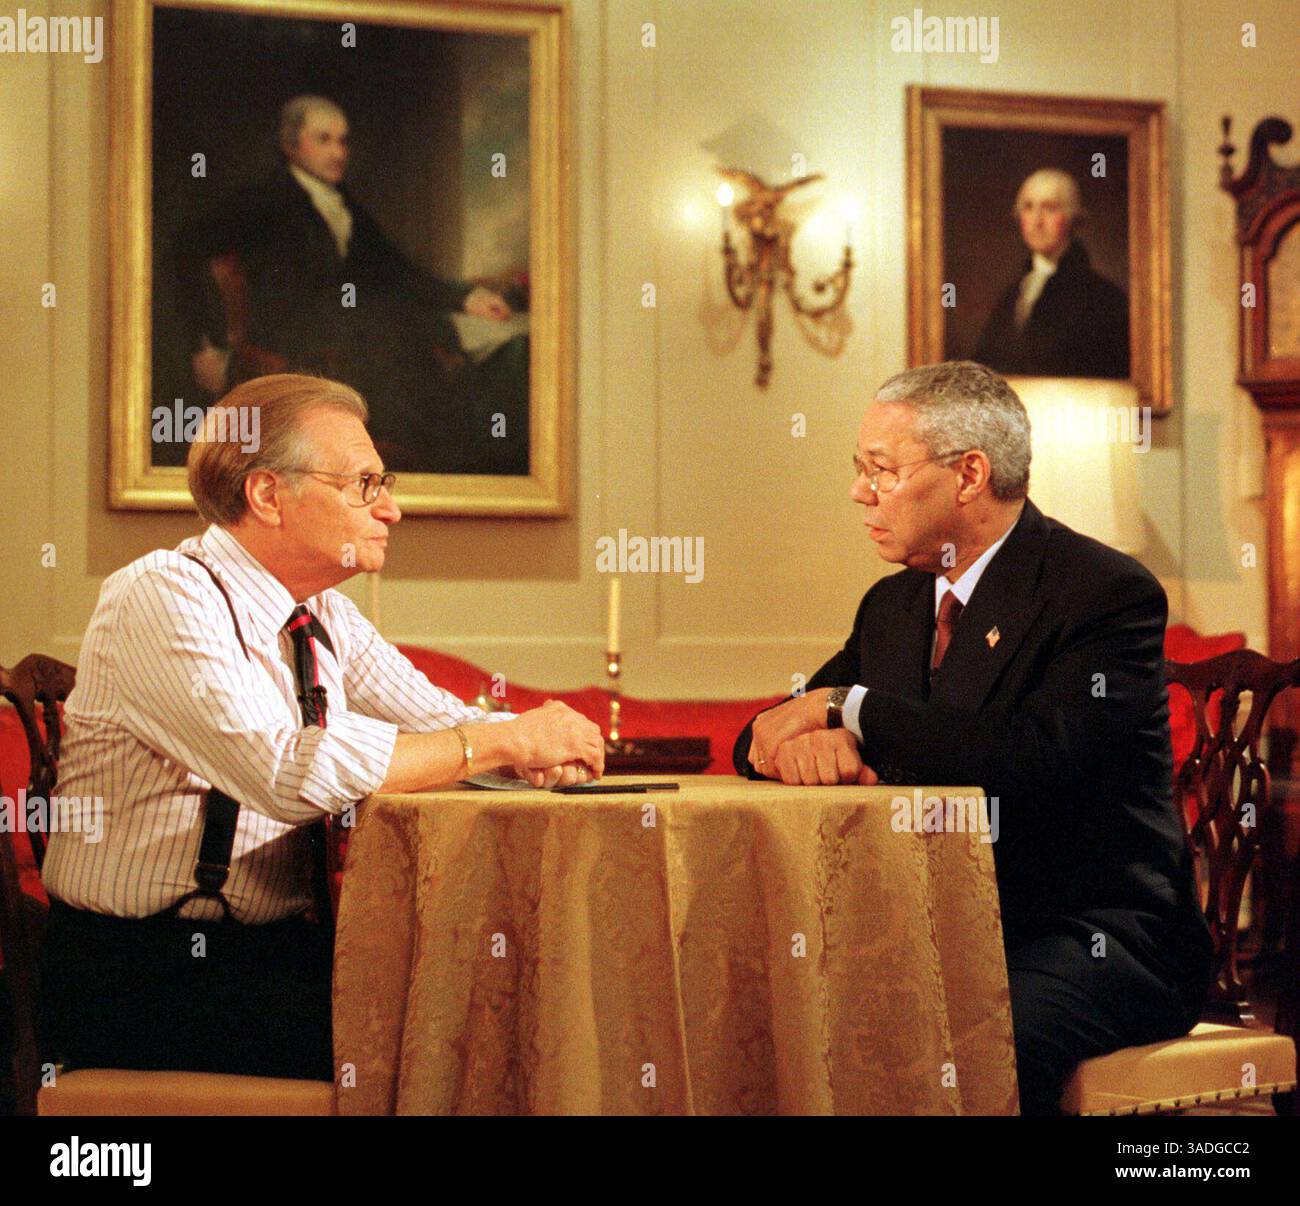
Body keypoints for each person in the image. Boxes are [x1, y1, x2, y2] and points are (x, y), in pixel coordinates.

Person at [39, 373, 603, 1080]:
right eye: (365, 485)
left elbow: (441, 721)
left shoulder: (324, 613)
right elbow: (284, 774)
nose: (391, 509)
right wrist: (501, 742)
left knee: (497, 1012)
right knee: (450, 1047)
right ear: (267, 494)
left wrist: (536, 746)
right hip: (139, 973)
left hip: (266, 957)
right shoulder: (160, 596)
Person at [733, 360, 1212, 1115]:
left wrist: (850, 711)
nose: (859, 492)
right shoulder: (892, 606)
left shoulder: (1103, 594)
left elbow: (1028, 757)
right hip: (932, 929)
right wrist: (792, 738)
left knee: (955, 1051)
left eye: (881, 471)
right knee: (772, 1013)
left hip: (1094, 938)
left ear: (968, 475)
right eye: (859, 470)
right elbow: (771, 727)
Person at [173, 94, 528, 474]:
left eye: (343, 140)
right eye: (323, 139)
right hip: (295, 339)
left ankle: (459, 457)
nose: (338, 152)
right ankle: (440, 456)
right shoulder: (264, 200)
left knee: (439, 340)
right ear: (291, 146)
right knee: (408, 343)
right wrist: (206, 342)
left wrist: (465, 297)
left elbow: (393, 268)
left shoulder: (342, 202)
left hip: (348, 333)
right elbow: (182, 254)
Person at [972, 168, 1129, 379]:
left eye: (1050, 208)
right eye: (1028, 207)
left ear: (1072, 217)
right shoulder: (1013, 293)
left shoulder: (1101, 297)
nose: (1037, 220)